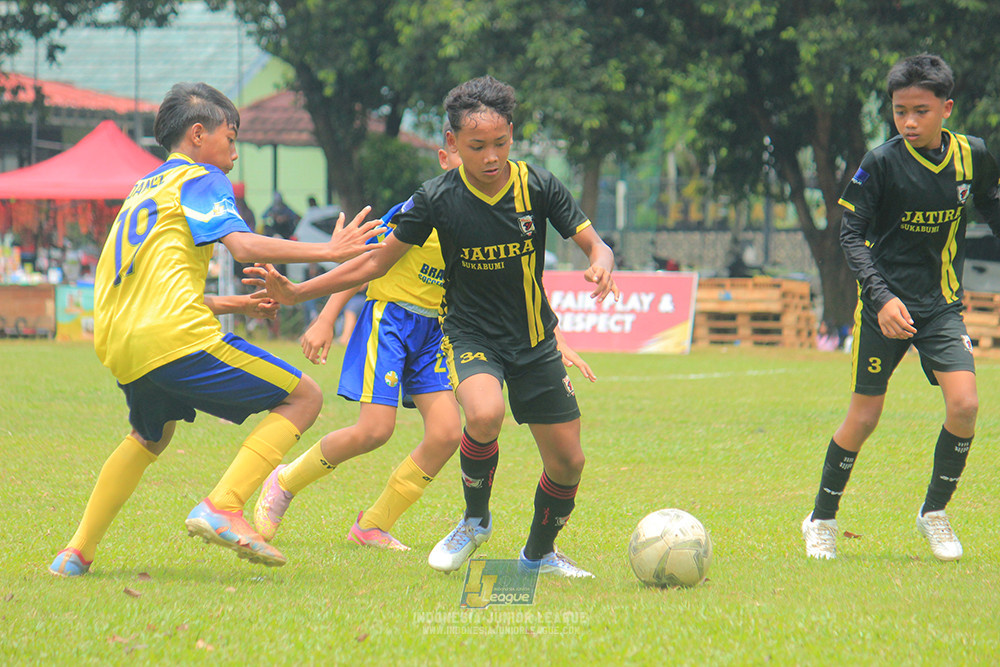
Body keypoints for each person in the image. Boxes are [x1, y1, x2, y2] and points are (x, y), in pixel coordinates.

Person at [249, 75, 617, 578]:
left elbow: (584, 249)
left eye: (500, 144)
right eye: (476, 146)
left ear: (513, 134)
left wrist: (600, 261)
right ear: (451, 145)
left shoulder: (536, 185)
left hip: (524, 342)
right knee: (478, 415)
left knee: (564, 461)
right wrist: (302, 296)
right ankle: (473, 519)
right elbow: (371, 264)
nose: (490, 157)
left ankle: (537, 556)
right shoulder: (434, 200)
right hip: (456, 334)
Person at [47, 82, 382, 577]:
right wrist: (330, 252)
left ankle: (76, 552)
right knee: (305, 397)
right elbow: (243, 247)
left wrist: (236, 304)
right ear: (198, 134)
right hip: (172, 336)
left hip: (120, 341)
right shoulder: (200, 177)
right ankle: (224, 503)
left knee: (148, 436)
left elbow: (150, 287)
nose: (234, 152)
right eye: (231, 137)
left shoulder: (146, 188)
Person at [801, 54, 1000, 561]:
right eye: (899, 111)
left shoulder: (973, 156)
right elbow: (851, 234)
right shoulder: (881, 161)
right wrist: (882, 297)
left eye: (921, 111)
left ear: (946, 108)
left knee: (966, 405)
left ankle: (934, 512)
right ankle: (821, 519)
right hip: (881, 306)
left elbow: (993, 209)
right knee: (864, 418)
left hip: (939, 306)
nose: (909, 122)